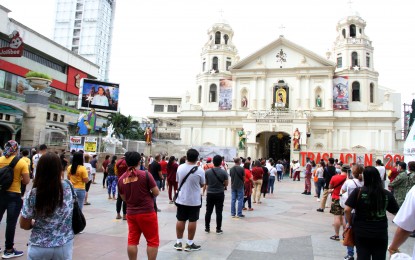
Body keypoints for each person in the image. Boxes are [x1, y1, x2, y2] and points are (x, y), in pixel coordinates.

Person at [20, 152, 74, 259]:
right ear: (59, 169)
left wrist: (33, 223)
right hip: (63, 246)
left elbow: (24, 224)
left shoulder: (33, 194)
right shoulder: (68, 186)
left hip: (39, 246)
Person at [344, 166, 399, 260]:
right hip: (380, 232)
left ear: (365, 177)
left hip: (361, 231)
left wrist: (349, 222)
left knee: (362, 256)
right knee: (380, 256)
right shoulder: (386, 194)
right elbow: (396, 211)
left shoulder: (359, 191)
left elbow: (347, 209)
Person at [117, 152, 160, 260]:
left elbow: (123, 198)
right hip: (147, 213)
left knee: (132, 241)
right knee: (152, 240)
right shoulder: (145, 174)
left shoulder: (121, 179)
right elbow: (156, 192)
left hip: (131, 213)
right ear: (139, 161)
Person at [0, 140, 30, 258]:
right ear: (16, 149)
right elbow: (26, 181)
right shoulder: (21, 162)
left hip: (1, 193)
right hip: (14, 195)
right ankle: (9, 249)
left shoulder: (0, 160)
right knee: (11, 223)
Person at [174, 149, 205, 251]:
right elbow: (202, 184)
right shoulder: (200, 170)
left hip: (182, 198)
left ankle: (178, 242)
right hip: (194, 200)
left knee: (180, 219)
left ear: (187, 156)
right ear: (197, 158)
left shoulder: (180, 167)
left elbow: (178, 181)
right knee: (192, 220)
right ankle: (189, 243)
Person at [388, 166, 415, 258]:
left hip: (401, 196)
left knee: (405, 214)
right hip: (404, 196)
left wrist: (393, 248)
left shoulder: (404, 176)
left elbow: (405, 227)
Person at [340, 164, 364, 260]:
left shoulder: (348, 182)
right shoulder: (364, 183)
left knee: (349, 231)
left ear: (352, 173)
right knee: (359, 232)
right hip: (361, 210)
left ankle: (350, 254)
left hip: (350, 209)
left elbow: (342, 192)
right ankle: (360, 253)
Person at [204, 155, 229, 233]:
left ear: (213, 162)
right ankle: (218, 229)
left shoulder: (207, 172)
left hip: (210, 193)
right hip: (220, 193)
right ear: (221, 162)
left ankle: (207, 228)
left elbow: (206, 183)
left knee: (208, 211)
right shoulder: (224, 172)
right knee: (219, 212)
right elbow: (226, 184)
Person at [328, 165, 348, 241]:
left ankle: (336, 235)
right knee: (344, 217)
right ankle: (345, 235)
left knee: (337, 217)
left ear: (341, 170)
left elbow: (330, 187)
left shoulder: (335, 177)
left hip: (336, 198)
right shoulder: (349, 179)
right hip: (346, 199)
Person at [115, 154, 128, 220]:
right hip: (126, 181)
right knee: (125, 198)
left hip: (119, 180)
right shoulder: (127, 162)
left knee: (119, 198)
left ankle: (118, 214)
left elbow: (116, 172)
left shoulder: (117, 162)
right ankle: (124, 215)